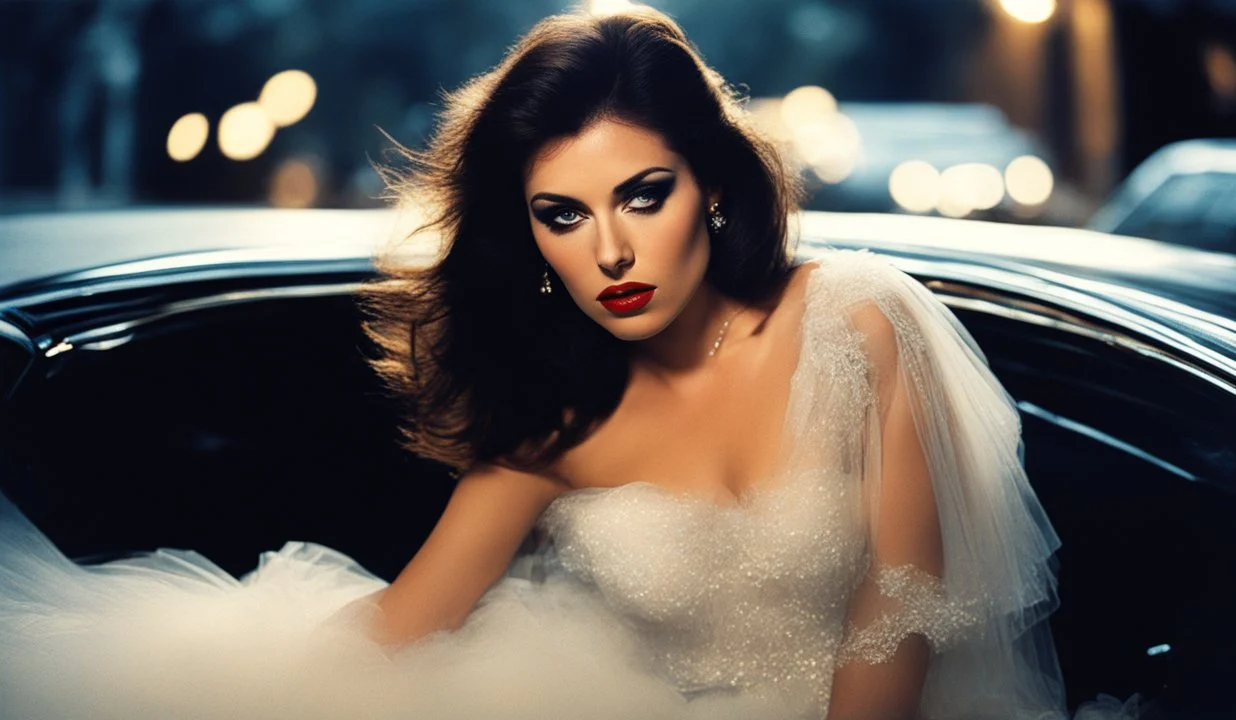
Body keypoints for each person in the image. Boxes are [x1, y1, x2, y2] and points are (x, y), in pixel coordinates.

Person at [0, 6, 1143, 720]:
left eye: (643, 196)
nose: (608, 251)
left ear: (709, 184)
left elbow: (897, 612)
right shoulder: (553, 424)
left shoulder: (855, 322)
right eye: (560, 214)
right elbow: (399, 633)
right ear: (529, 234)